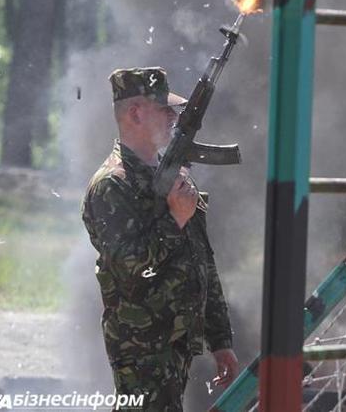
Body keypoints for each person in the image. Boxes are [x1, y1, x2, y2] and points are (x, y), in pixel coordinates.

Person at [81, 67, 238, 411]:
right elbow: (131, 267)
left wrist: (220, 339)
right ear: (136, 113)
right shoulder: (112, 186)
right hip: (142, 347)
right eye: (163, 108)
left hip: (177, 339)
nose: (173, 115)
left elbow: (202, 258)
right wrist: (174, 219)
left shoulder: (172, 176)